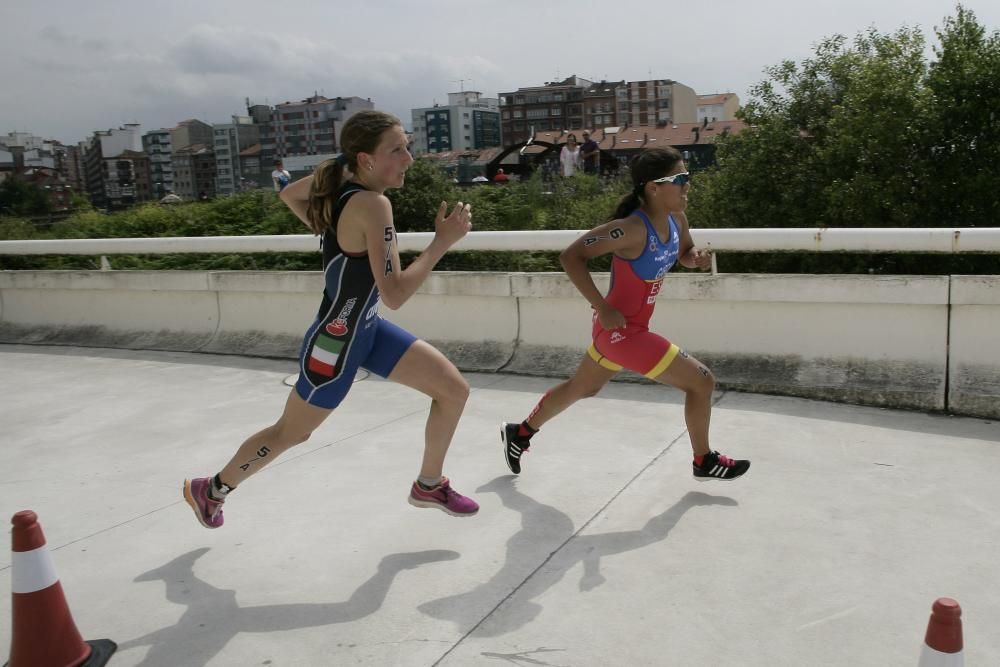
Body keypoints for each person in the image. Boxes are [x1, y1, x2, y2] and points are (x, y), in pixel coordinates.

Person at [184, 110, 480, 529]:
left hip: (368, 330)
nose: (409, 159)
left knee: (453, 390)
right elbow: (395, 294)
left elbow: (290, 196)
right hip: (336, 346)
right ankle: (211, 489)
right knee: (291, 432)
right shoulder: (373, 205)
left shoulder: (345, 192)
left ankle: (429, 483)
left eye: (407, 147)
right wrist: (441, 242)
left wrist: (338, 169)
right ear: (367, 160)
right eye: (397, 150)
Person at [500, 147, 750, 481]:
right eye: (680, 179)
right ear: (654, 187)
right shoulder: (630, 229)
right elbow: (571, 257)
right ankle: (703, 460)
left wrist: (695, 259)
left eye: (687, 177)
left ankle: (520, 433)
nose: (688, 185)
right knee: (701, 381)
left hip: (622, 332)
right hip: (621, 333)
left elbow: (684, 252)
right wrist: (601, 307)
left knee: (582, 388)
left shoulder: (677, 219)